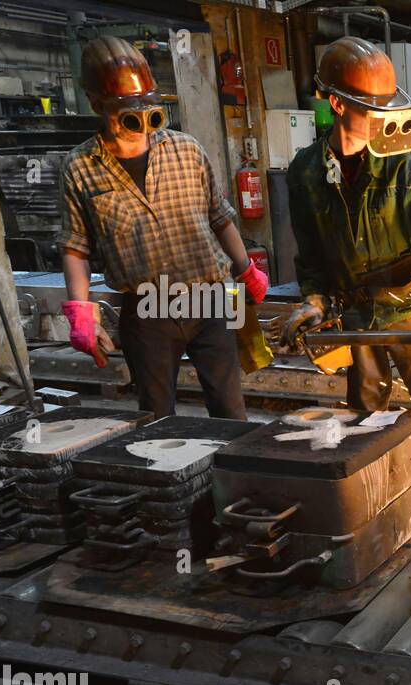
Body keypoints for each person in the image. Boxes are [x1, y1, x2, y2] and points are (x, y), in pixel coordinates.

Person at [282, 36, 411, 502]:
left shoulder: (403, 171)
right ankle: (376, 505)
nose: (385, 117)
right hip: (356, 319)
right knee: (364, 420)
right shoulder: (305, 173)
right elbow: (311, 255)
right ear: (337, 104)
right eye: (374, 108)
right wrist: (313, 302)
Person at [60, 37, 268, 420]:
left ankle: (232, 480)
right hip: (146, 310)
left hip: (211, 299)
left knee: (230, 410)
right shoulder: (80, 168)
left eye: (148, 112)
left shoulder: (186, 149)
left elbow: (219, 217)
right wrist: (81, 312)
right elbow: (76, 248)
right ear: (96, 105)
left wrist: (245, 269)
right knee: (157, 418)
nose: (141, 125)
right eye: (127, 114)